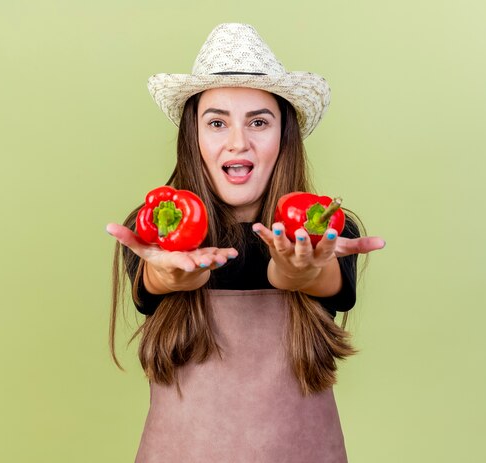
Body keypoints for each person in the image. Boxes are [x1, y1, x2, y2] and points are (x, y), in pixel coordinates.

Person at [106, 23, 385, 463]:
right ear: (193, 138)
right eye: (217, 122)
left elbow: (305, 273)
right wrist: (170, 274)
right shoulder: (155, 236)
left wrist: (299, 271)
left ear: (283, 136)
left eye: (259, 121)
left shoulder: (327, 231)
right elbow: (156, 279)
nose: (239, 141)